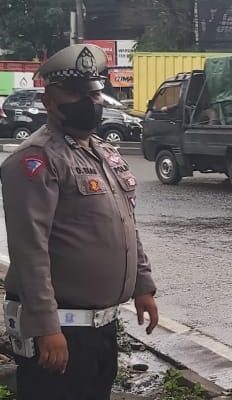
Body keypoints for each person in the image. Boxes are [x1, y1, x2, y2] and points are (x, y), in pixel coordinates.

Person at [0, 44, 159, 400]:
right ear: (49, 101)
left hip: (101, 328)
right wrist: (45, 326)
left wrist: (142, 286)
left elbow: (125, 225)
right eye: (76, 94)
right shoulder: (37, 161)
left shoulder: (103, 154)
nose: (90, 101)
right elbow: (30, 251)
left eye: (95, 92)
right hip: (61, 330)